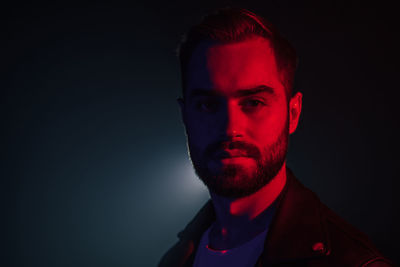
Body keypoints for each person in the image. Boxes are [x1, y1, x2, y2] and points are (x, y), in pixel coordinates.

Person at [159, 7, 392, 267]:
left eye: (254, 102)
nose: (230, 128)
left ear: (293, 114)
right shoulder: (178, 258)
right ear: (185, 116)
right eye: (207, 105)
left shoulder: (353, 262)